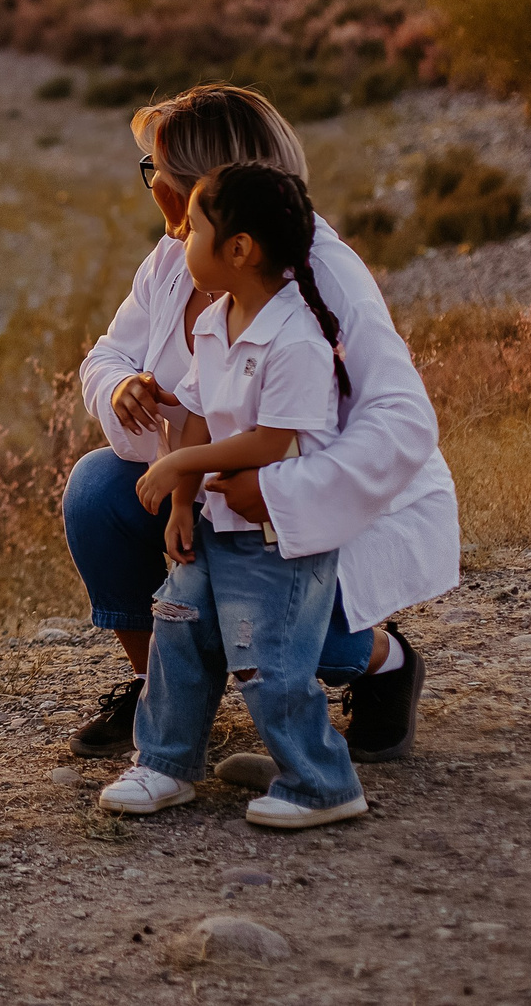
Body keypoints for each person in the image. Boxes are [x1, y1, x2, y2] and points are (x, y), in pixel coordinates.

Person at [59, 83, 456, 766]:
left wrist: (282, 493)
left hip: (314, 513)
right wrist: (122, 386)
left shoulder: (324, 275)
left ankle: (385, 661)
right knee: (97, 491)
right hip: (209, 498)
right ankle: (165, 690)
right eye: (152, 175)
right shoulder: (174, 260)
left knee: (292, 630)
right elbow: (107, 353)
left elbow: (404, 422)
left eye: (167, 181)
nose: (157, 198)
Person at [100, 161, 368, 826]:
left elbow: (268, 442)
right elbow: (194, 407)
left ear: (239, 248)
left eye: (194, 229)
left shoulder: (296, 338)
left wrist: (179, 464)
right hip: (216, 525)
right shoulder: (216, 319)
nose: (180, 241)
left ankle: (321, 782)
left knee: (266, 659)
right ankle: (164, 762)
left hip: (275, 537)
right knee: (178, 631)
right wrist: (185, 502)